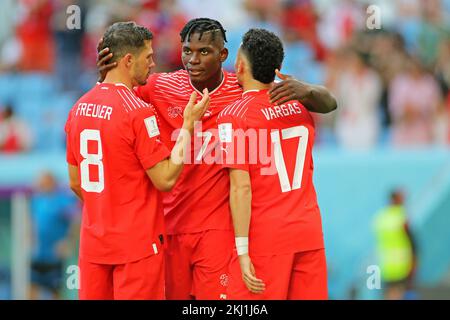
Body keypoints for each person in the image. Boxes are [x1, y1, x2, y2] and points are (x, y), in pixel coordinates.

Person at [97, 17, 336, 300]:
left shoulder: (244, 88)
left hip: (218, 232)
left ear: (225, 56)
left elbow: (328, 103)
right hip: (171, 225)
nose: (193, 60)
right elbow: (115, 98)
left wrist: (307, 89)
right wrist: (105, 76)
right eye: (187, 51)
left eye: (204, 52)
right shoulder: (161, 87)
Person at [65, 21, 210, 300]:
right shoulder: (138, 112)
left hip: (94, 246)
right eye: (148, 57)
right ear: (128, 61)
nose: (153, 64)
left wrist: (108, 207)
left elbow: (75, 182)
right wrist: (189, 125)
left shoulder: (78, 108)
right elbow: (165, 179)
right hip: (137, 246)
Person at [217, 28, 328, 299]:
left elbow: (241, 188)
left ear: (240, 66)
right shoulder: (299, 105)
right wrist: (308, 89)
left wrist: (241, 251)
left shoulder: (233, 116)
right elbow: (329, 102)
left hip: (266, 238)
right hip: (308, 232)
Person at [29, 171, 78, 300]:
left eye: (44, 180)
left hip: (55, 256)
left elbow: (76, 220)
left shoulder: (62, 201)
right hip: (38, 254)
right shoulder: (37, 200)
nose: (40, 183)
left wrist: (68, 241)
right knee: (32, 288)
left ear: (51, 182)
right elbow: (34, 222)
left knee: (55, 290)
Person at [373, 189, 418, 300]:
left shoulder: (380, 218)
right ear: (394, 199)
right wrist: (414, 262)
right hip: (402, 267)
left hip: (385, 267)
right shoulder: (402, 217)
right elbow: (412, 241)